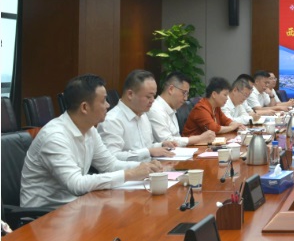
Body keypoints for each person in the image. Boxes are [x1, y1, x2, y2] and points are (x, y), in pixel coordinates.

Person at [21, 74, 162, 208]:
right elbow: (76, 184)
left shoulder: (90, 129)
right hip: (45, 215)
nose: (108, 105)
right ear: (84, 107)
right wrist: (130, 174)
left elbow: (110, 165)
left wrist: (145, 167)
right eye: (103, 101)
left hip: (75, 205)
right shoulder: (55, 137)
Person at [98, 69, 174, 161]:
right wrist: (148, 152)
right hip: (131, 170)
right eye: (148, 96)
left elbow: (146, 147)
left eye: (154, 96)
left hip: (150, 167)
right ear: (130, 94)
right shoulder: (112, 120)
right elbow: (112, 158)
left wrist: (161, 145)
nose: (152, 100)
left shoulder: (143, 115)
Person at [147, 71, 215, 146]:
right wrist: (200, 138)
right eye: (184, 93)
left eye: (187, 94)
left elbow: (176, 138)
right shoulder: (155, 109)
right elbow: (167, 142)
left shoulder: (171, 109)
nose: (185, 98)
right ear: (171, 89)